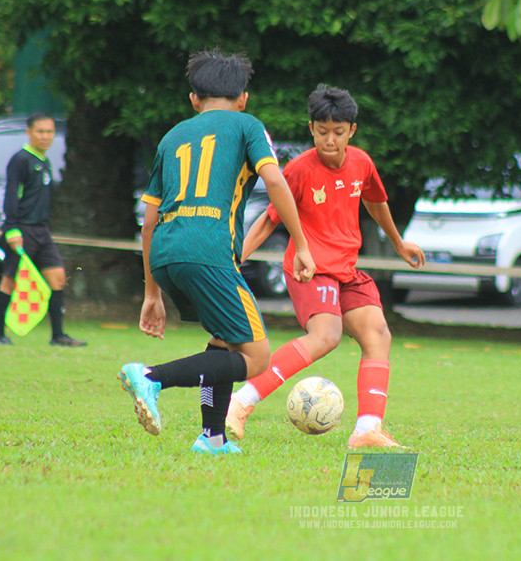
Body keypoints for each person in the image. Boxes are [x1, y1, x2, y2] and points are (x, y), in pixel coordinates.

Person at [118, 49, 316, 457]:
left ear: (194, 99)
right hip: (209, 251)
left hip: (167, 252)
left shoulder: (172, 136)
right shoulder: (248, 125)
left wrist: (152, 293)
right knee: (257, 358)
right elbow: (275, 182)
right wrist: (302, 243)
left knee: (225, 340)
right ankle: (152, 377)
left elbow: (149, 220)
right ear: (243, 98)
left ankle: (212, 437)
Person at [227, 84, 425, 448]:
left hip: (346, 269)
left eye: (337, 132)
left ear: (351, 131)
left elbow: (376, 201)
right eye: (322, 132)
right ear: (311, 129)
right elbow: (270, 219)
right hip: (310, 268)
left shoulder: (362, 163)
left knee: (378, 335)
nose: (329, 141)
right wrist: (237, 259)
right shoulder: (300, 169)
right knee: (326, 336)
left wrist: (398, 243)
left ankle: (366, 429)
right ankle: (239, 403)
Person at [0, 113, 84, 347]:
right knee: (10, 281)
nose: (45, 136)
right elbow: (11, 195)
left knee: (58, 278)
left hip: (42, 231)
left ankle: (58, 335)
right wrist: (11, 228)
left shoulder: (44, 161)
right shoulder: (20, 160)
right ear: (29, 132)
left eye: (49, 132)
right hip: (22, 229)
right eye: (40, 131)